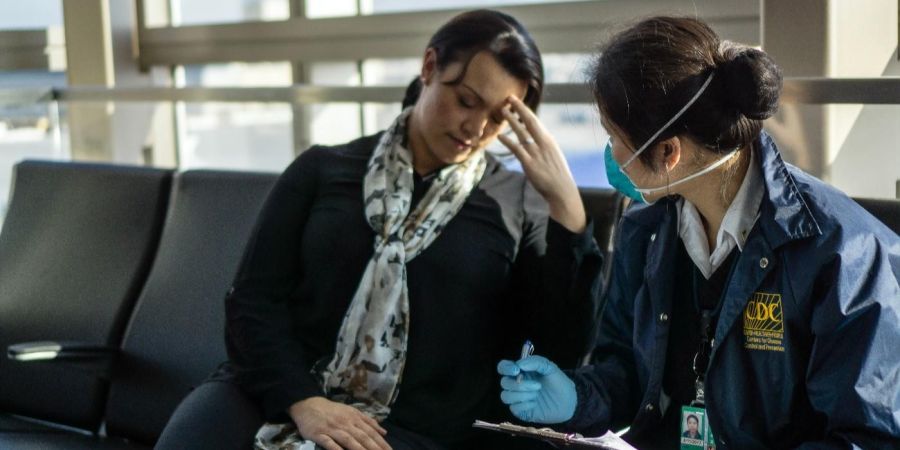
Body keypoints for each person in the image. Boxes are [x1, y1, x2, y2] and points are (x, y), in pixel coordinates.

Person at [156, 9, 604, 450]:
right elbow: (253, 302)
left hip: (412, 423)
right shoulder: (323, 169)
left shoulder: (517, 203)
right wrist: (303, 400)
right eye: (466, 100)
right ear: (429, 67)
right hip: (278, 388)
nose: (478, 127)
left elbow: (557, 348)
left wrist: (567, 207)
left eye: (500, 118)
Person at [497, 16, 900, 449]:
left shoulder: (841, 252)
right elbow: (628, 374)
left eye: (614, 136)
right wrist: (577, 397)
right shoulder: (646, 230)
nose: (610, 153)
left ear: (668, 152)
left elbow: (864, 437)